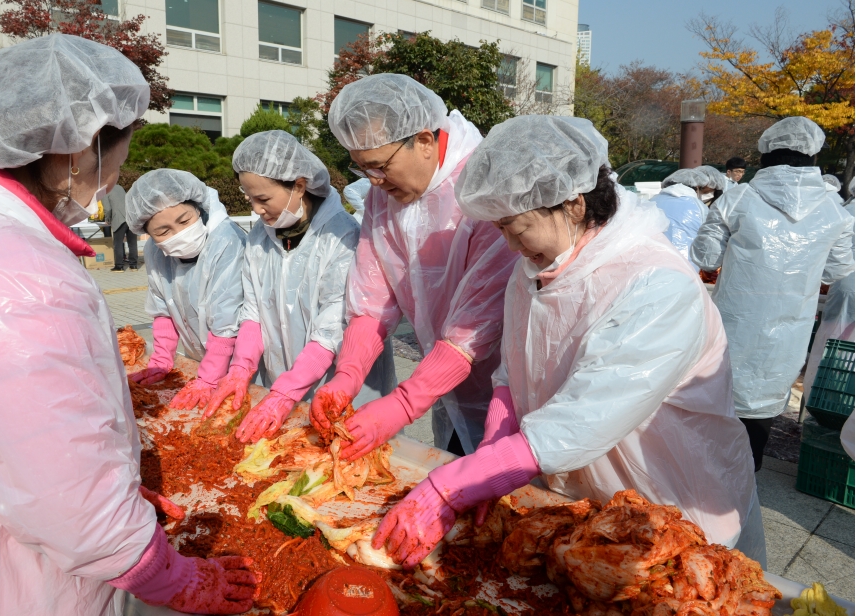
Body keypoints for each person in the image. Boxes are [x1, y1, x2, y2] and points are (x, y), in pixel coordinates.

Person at [0, 34, 257, 614]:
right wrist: (171, 574)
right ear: (78, 152)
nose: (106, 186)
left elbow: (5, 432)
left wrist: (107, 477)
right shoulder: (9, 274)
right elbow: (72, 505)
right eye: (115, 164)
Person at [373, 115, 761, 570]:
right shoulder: (536, 269)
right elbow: (514, 367)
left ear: (573, 205)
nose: (512, 245)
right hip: (586, 501)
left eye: (517, 228)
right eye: (500, 230)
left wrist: (459, 480)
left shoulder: (656, 284)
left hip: (675, 499)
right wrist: (496, 438)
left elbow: (588, 415)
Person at [309, 74, 520, 459]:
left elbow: (476, 324)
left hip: (509, 392)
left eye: (379, 166)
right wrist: (347, 375)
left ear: (424, 140)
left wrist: (404, 404)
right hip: (443, 385)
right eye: (363, 170)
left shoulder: (484, 189)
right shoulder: (384, 193)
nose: (374, 180)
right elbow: (372, 295)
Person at [191, 130, 396, 442]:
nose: (257, 210)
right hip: (283, 384)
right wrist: (240, 369)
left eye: (263, 199)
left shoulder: (343, 239)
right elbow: (253, 312)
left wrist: (284, 394)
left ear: (299, 186)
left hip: (338, 390)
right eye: (250, 199)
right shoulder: (260, 238)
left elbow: (330, 333)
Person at [691, 117, 855, 471]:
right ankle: (741, 497)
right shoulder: (835, 212)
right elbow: (838, 270)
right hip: (788, 332)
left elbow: (705, 256)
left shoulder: (739, 198)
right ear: (813, 156)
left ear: (766, 153)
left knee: (714, 415)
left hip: (732, 327)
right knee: (758, 423)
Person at [124, 169, 247, 409]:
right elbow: (163, 308)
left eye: (184, 221)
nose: (178, 234)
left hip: (243, 363)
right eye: (163, 231)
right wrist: (161, 360)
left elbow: (227, 323)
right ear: (148, 234)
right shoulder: (155, 251)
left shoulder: (226, 242)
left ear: (199, 209)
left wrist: (208, 379)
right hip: (202, 358)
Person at [802, 192, 854, 398]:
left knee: (833, 347)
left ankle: (824, 397)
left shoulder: (846, 212)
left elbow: (832, 265)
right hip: (846, 287)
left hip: (845, 287)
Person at [650, 168, 712, 263]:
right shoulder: (700, 207)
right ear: (696, 188)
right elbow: (708, 238)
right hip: (686, 265)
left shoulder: (652, 201)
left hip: (652, 261)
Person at [102, 182, 139, 271]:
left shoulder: (104, 192)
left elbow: (107, 208)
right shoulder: (120, 187)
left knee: (117, 243)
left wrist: (107, 219)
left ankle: (119, 266)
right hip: (130, 217)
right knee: (132, 243)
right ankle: (133, 265)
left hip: (119, 219)